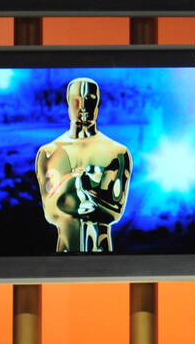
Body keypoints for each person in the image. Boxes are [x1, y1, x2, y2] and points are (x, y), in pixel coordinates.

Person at [36, 77, 132, 252]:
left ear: (97, 103)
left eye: (90, 100)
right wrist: (77, 183)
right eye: (77, 100)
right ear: (68, 102)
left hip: (102, 253)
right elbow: (50, 212)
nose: (82, 108)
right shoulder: (48, 153)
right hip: (64, 254)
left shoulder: (117, 153)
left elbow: (115, 211)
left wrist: (80, 190)